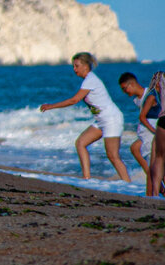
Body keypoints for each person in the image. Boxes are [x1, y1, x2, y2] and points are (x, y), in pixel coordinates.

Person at [39, 52, 130, 182]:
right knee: (81, 143)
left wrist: (51, 106)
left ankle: (127, 184)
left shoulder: (90, 80)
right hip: (101, 120)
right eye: (73, 66)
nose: (74, 69)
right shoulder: (88, 80)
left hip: (111, 119)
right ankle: (86, 179)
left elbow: (74, 100)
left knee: (113, 155)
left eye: (76, 66)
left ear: (86, 66)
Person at [119, 72, 160, 177]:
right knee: (135, 148)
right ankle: (151, 176)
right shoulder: (137, 100)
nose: (124, 92)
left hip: (154, 132)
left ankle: (154, 178)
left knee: (153, 159)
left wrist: (156, 132)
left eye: (124, 88)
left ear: (131, 84)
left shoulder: (149, 95)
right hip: (147, 133)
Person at [140, 71, 165, 197]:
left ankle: (155, 193)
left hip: (162, 123)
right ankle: (154, 193)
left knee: (159, 159)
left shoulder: (158, 93)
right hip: (159, 125)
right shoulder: (152, 96)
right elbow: (142, 117)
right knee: (158, 160)